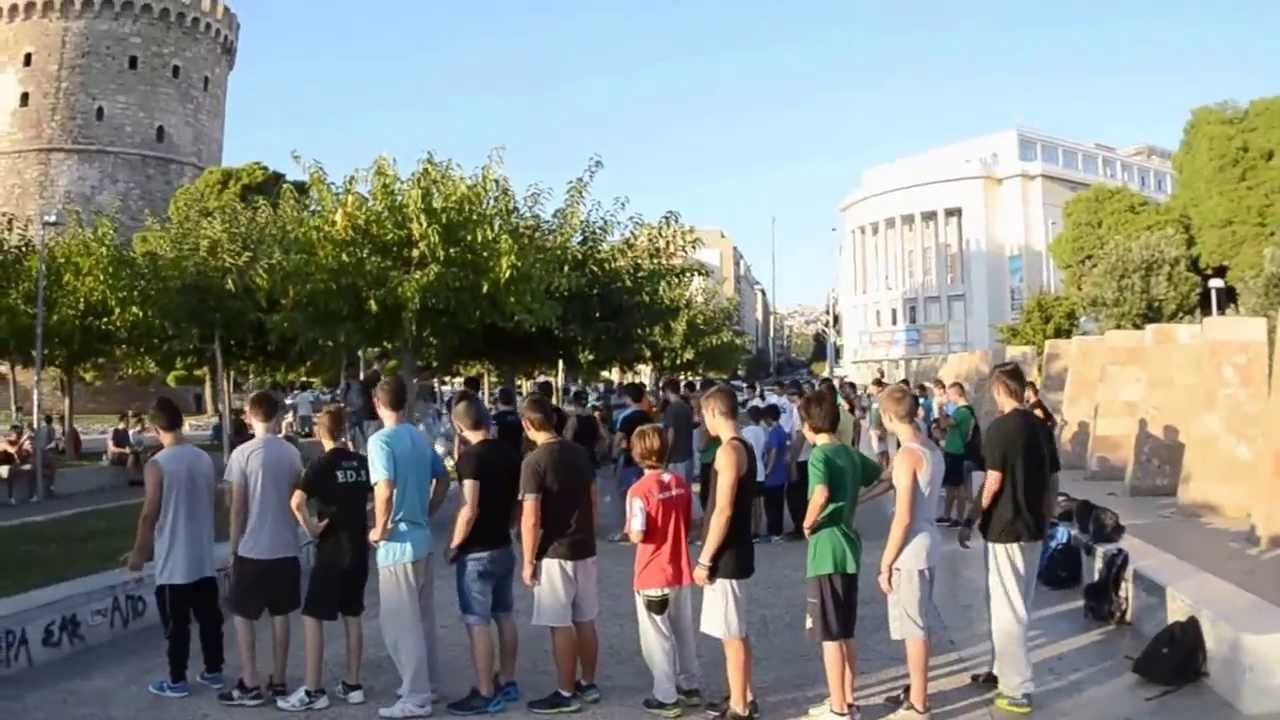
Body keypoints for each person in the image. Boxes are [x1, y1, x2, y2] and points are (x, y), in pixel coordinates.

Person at [955, 362, 1052, 715]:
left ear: (999, 388)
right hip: (1033, 528)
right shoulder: (1042, 427)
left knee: (1007, 610)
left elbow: (992, 481)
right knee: (1016, 603)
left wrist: (971, 517)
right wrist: (1047, 516)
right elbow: (1052, 479)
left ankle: (1018, 688)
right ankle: (1000, 669)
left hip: (1005, 529)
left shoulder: (999, 429)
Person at [123, 397, 224, 700]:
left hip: (174, 562)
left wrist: (138, 554)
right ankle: (214, 671)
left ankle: (177, 680)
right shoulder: (204, 459)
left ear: (156, 429)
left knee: (176, 625)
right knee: (209, 619)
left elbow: (149, 514)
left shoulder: (158, 464)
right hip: (203, 556)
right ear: (180, 423)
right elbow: (214, 500)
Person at [277, 405, 371, 712]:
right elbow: (376, 496)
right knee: (352, 614)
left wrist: (312, 529)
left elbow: (296, 502)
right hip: (358, 549)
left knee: (313, 615)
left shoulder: (321, 465)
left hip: (332, 551)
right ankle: (353, 684)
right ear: (345, 430)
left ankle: (313, 689)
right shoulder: (362, 463)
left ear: (320, 432)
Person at [367, 375, 451, 719]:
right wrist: (428, 510)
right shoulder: (419, 436)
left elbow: (384, 489)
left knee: (400, 625)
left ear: (377, 403)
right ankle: (427, 684)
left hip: (397, 543)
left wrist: (379, 528)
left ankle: (416, 696)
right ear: (406, 402)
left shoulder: (380, 441)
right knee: (422, 620)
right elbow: (443, 477)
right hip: (421, 538)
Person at [798, 389, 884, 720]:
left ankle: (837, 708)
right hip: (849, 546)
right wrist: (860, 499)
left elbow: (819, 493)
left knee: (829, 635)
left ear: (808, 425)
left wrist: (808, 522)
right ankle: (848, 699)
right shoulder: (849, 453)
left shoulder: (819, 456)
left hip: (826, 549)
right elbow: (884, 475)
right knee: (846, 630)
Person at [219, 391, 305, 707]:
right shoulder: (292, 453)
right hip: (285, 546)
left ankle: (250, 682)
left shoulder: (242, 454)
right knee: (281, 614)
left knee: (243, 614)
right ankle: (279, 680)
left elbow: (237, 507)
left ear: (249, 415)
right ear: (278, 416)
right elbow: (297, 497)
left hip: (252, 548)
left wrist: (233, 548)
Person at [863, 386, 943, 719]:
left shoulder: (908, 455)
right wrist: (858, 499)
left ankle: (919, 704)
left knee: (913, 629)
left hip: (910, 549)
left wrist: (885, 564)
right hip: (928, 541)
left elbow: (903, 517)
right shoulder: (928, 448)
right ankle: (916, 691)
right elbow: (889, 480)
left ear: (887, 416)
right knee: (918, 624)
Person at [518, 393, 601, 714]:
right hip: (584, 545)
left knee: (559, 622)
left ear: (527, 424)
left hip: (554, 550)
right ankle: (588, 682)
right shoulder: (579, 452)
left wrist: (528, 560)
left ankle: (565, 692)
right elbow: (593, 497)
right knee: (585, 618)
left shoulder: (534, 462)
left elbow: (531, 516)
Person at [445, 395, 522, 715]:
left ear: (458, 425)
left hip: (476, 551)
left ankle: (485, 691)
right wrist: (511, 525)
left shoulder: (470, 459)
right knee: (504, 615)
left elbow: (469, 508)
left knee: (477, 621)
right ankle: (507, 679)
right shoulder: (509, 453)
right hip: (503, 544)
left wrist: (454, 544)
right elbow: (519, 500)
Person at [625, 424, 703, 717]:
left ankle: (666, 695)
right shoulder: (680, 483)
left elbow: (637, 533)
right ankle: (690, 685)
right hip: (679, 567)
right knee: (683, 631)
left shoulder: (638, 490)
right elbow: (695, 519)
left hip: (652, 571)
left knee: (657, 636)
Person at [694, 385, 757, 720]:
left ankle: (740, 706)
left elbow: (723, 510)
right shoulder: (742, 446)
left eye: (704, 414)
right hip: (735, 549)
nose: (704, 421)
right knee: (735, 630)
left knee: (731, 635)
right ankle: (742, 693)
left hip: (727, 554)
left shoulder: (729, 451)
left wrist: (705, 559)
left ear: (714, 412)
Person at [612, 382, 653, 540]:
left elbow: (618, 439)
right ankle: (644, 525)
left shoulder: (626, 417)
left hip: (629, 459)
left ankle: (627, 529)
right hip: (646, 460)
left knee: (626, 495)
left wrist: (614, 455)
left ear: (628, 398)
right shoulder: (648, 417)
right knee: (644, 495)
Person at [938, 383, 977, 527]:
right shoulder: (962, 411)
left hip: (957, 452)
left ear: (956, 394)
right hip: (952, 451)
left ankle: (959, 517)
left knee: (958, 486)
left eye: (949, 394)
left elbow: (944, 424)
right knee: (950, 486)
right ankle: (947, 515)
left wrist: (940, 409)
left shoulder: (963, 412)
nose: (948, 398)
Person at [760, 404, 789, 543]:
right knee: (778, 504)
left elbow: (773, 451)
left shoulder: (774, 432)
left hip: (773, 475)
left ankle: (774, 532)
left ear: (768, 418)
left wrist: (768, 470)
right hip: (781, 472)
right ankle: (777, 532)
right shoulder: (782, 430)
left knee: (770, 505)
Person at [739, 406, 768, 539]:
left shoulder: (745, 432)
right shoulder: (762, 431)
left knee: (750, 503)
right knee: (758, 502)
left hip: (751, 468)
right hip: (760, 468)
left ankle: (750, 530)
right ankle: (757, 529)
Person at [662, 378, 696, 483]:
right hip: (688, 456)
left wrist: (666, 457)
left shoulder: (670, 409)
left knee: (675, 489)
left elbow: (671, 434)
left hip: (675, 459)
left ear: (667, 391)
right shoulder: (687, 407)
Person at [563, 389, 605, 466]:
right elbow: (605, 438)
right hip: (591, 458)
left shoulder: (573, 420)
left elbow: (568, 441)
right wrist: (598, 454)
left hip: (577, 460)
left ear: (574, 402)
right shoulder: (595, 419)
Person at [491, 387, 523, 455]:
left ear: (498, 401)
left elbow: (492, 439)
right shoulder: (521, 418)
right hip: (518, 456)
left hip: (501, 456)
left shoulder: (494, 420)